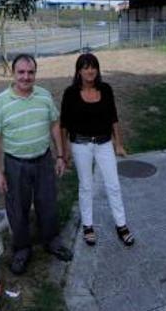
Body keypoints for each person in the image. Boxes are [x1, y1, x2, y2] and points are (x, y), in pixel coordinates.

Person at [0, 53, 73, 275]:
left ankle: (51, 241)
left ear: (35, 73)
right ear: (13, 73)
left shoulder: (44, 96)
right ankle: (22, 250)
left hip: (44, 160)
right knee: (17, 209)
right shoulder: (0, 102)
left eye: (31, 72)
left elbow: (55, 126)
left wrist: (60, 156)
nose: (26, 77)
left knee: (48, 203)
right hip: (16, 164)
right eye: (21, 72)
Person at [61, 53, 134, 247]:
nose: (90, 70)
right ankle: (88, 225)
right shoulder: (70, 93)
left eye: (93, 66)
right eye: (85, 67)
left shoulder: (106, 89)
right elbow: (64, 125)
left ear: (97, 69)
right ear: (79, 71)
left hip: (104, 144)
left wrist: (118, 144)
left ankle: (121, 224)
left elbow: (114, 118)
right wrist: (64, 151)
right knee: (86, 186)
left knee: (113, 184)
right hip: (80, 145)